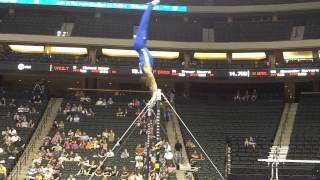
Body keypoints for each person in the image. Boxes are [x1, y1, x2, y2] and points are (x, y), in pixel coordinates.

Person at [133, 0, 160, 99]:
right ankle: (150, 6)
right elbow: (151, 84)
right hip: (141, 45)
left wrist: (155, 93)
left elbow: (152, 81)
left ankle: (151, 5)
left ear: (145, 79)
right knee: (144, 26)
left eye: (147, 83)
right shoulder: (146, 72)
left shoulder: (146, 70)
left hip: (140, 45)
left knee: (144, 24)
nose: (149, 84)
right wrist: (153, 94)